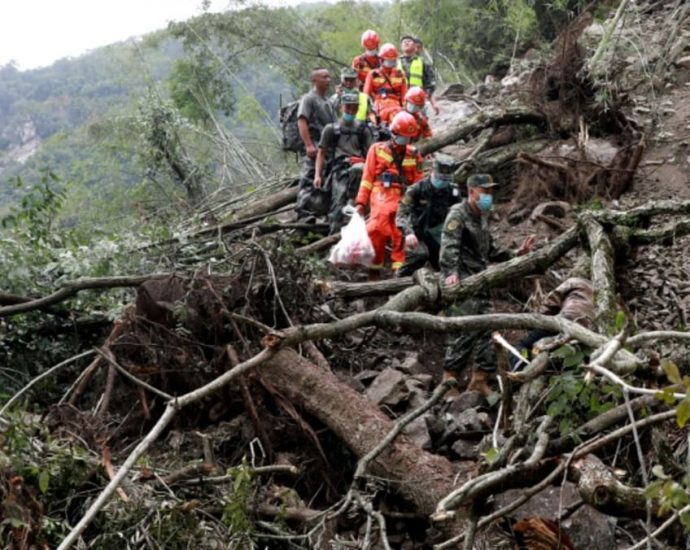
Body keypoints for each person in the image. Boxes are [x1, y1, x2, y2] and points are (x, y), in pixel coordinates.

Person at [440, 173, 536, 396]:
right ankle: (449, 382)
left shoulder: (482, 216)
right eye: (485, 192)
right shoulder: (457, 214)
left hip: (481, 280)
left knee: (488, 329)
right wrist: (451, 275)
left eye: (491, 192)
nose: (488, 197)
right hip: (463, 282)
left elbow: (490, 250)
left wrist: (516, 254)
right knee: (463, 329)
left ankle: (480, 379)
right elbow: (449, 247)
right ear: (472, 192)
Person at [355, 111, 423, 279]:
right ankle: (374, 270)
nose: (405, 140)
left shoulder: (414, 154)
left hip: (402, 195)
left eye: (408, 137)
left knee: (400, 231)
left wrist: (418, 203)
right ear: (394, 133)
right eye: (403, 136)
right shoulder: (376, 149)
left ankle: (398, 273)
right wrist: (361, 204)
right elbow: (367, 179)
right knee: (377, 227)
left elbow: (418, 182)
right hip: (381, 193)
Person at [315, 91, 375, 234]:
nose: (350, 111)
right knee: (338, 205)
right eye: (348, 107)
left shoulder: (362, 129)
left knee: (362, 201)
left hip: (360, 171)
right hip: (339, 170)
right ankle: (333, 238)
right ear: (342, 107)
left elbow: (372, 152)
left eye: (354, 108)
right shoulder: (331, 129)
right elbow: (321, 153)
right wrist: (318, 175)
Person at [395, 154, 459, 276]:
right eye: (440, 178)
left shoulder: (452, 190)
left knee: (449, 258)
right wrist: (408, 233)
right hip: (416, 234)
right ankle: (400, 280)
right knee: (419, 255)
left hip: (438, 233)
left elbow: (460, 211)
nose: (443, 182)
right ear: (432, 172)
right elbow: (402, 213)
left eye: (446, 180)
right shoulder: (416, 189)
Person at [509, 278, 594, 370]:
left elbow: (552, 301)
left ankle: (521, 360)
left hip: (565, 320)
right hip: (588, 332)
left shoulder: (576, 281)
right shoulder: (606, 295)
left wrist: (540, 320)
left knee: (523, 345)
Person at [295, 68, 337, 221]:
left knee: (323, 181)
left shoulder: (327, 101)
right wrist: (308, 144)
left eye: (329, 76)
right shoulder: (309, 99)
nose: (328, 79)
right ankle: (302, 214)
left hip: (326, 150)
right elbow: (302, 121)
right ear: (315, 80)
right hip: (314, 147)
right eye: (324, 77)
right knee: (308, 179)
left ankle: (318, 213)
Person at [363, 43, 408, 126]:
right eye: (388, 60)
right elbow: (366, 96)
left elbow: (404, 96)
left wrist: (405, 110)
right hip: (379, 108)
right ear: (381, 59)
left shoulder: (400, 74)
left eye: (393, 60)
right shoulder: (372, 74)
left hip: (396, 108)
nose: (391, 62)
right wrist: (369, 113)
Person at [398, 35, 440, 116]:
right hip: (399, 102)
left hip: (417, 103)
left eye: (409, 41)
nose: (406, 42)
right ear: (400, 46)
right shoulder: (394, 62)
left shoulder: (423, 63)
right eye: (404, 42)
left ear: (414, 46)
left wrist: (434, 104)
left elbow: (430, 85)